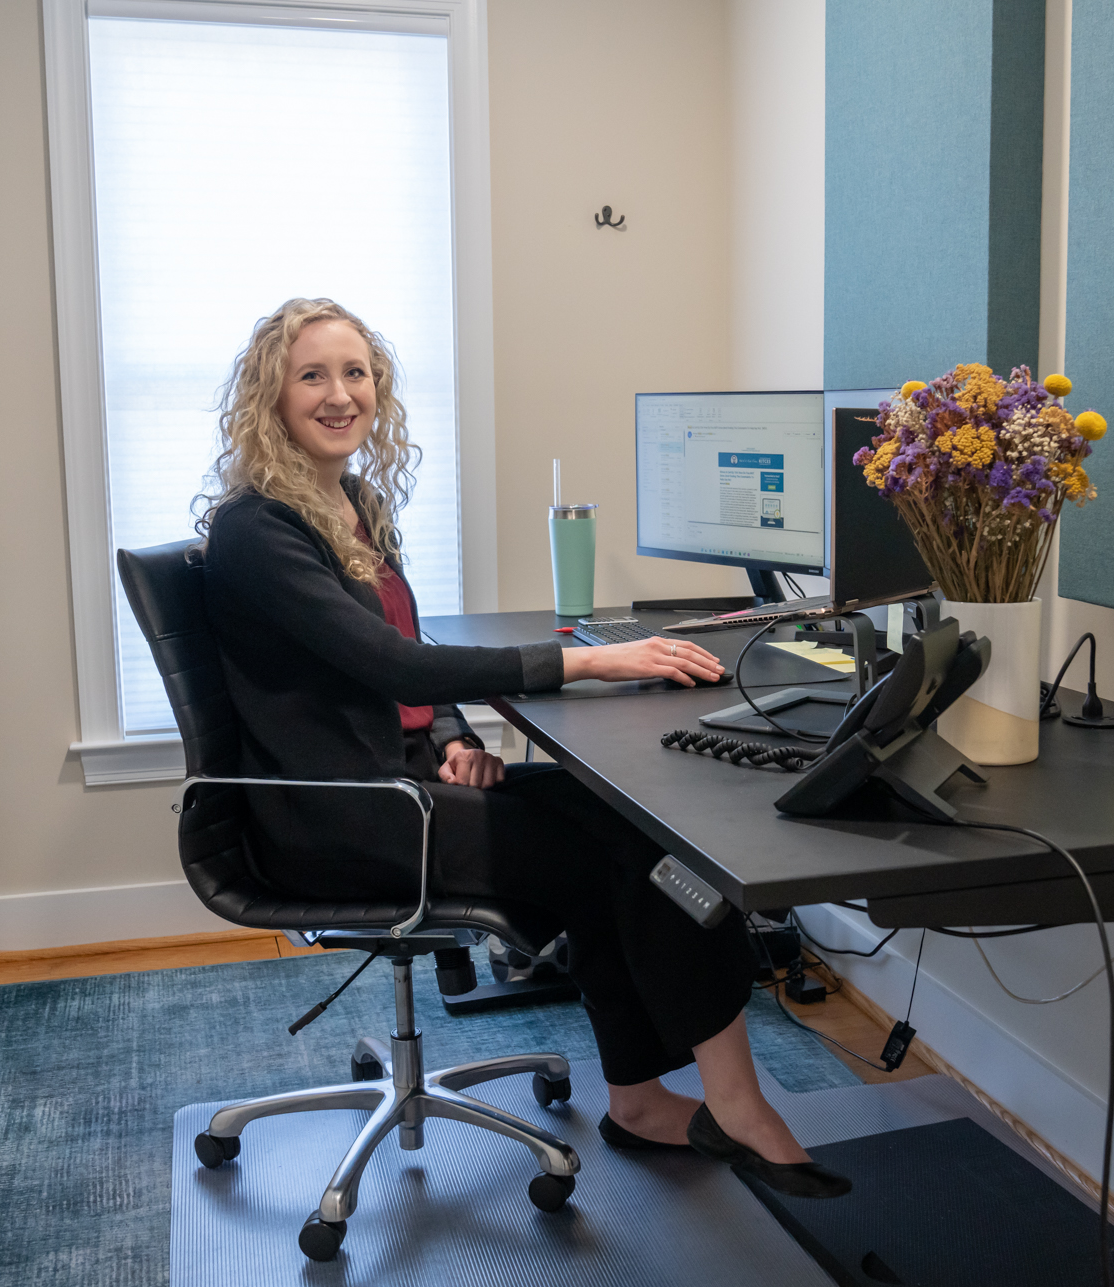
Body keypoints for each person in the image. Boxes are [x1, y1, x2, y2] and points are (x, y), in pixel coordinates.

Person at [198, 297, 848, 1199]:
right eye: (313, 374)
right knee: (623, 852)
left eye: (356, 373)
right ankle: (726, 1103)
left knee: (628, 821)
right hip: (342, 813)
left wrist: (459, 737)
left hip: (402, 783)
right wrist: (588, 662)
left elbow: (403, 660)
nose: (340, 393)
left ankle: (649, 1099)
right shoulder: (257, 528)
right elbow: (392, 661)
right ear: (272, 394)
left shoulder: (351, 503)